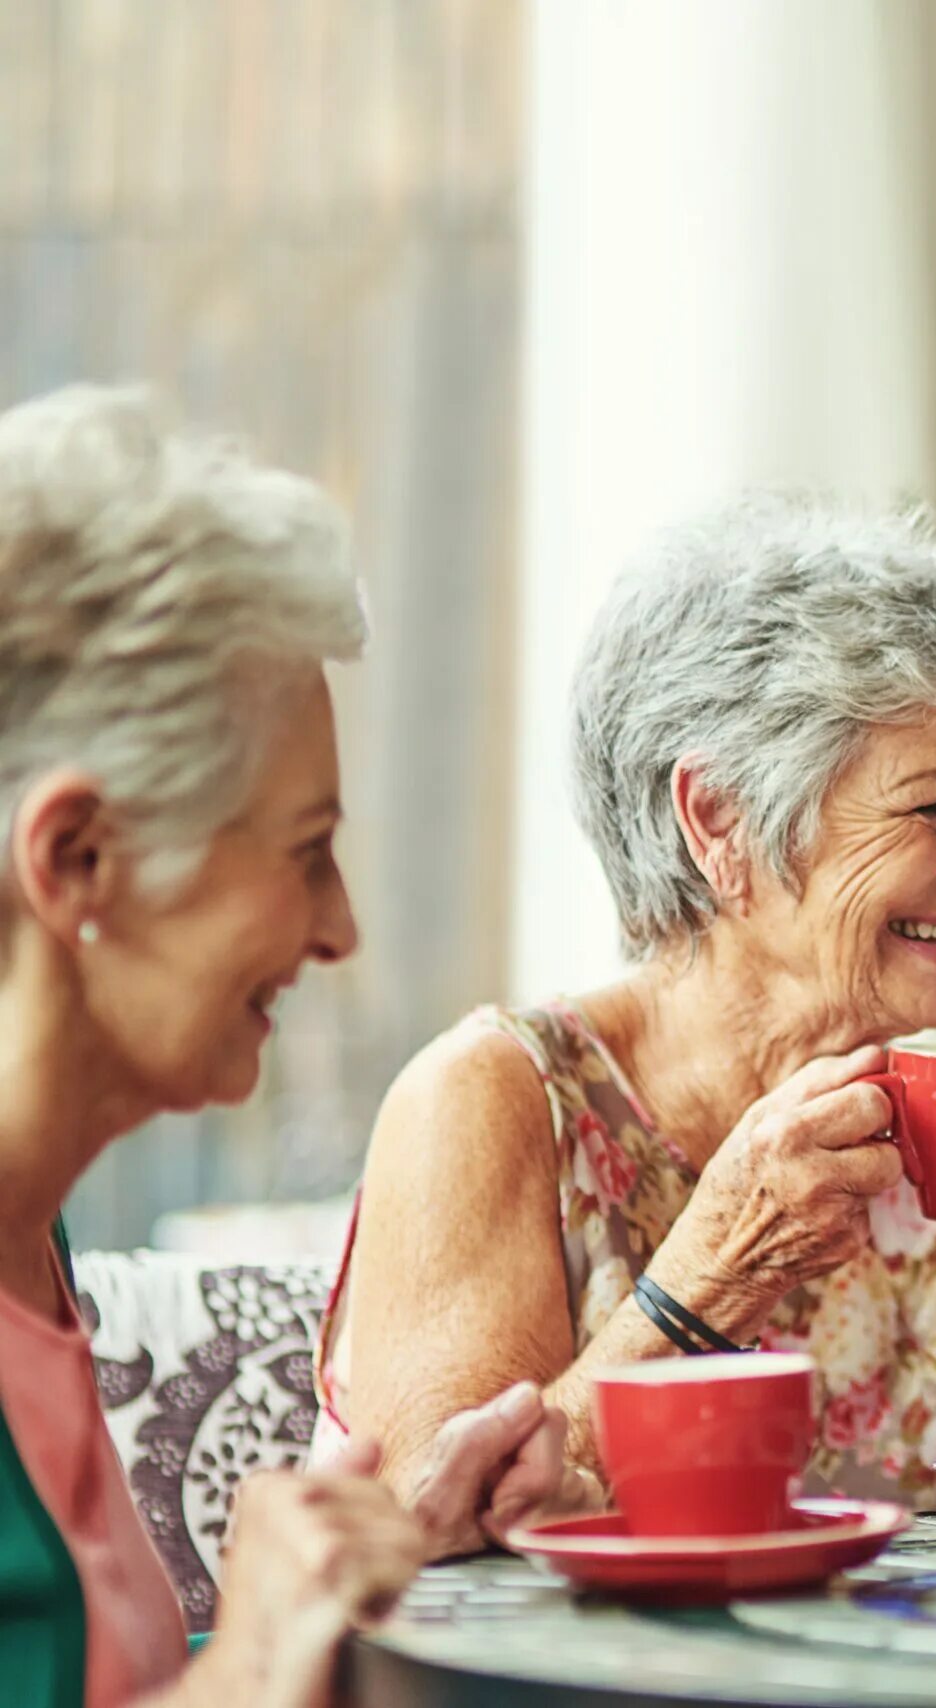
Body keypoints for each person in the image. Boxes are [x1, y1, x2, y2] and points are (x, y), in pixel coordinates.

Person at [322, 493, 936, 1514]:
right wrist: (715, 1273)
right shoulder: (491, 1100)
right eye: (933, 810)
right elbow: (421, 1536)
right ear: (719, 818)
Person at [0, 384, 565, 1707]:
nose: (342, 930)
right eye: (306, 854)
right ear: (75, 858)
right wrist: (248, 1663)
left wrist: (362, 1565)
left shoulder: (33, 1247)